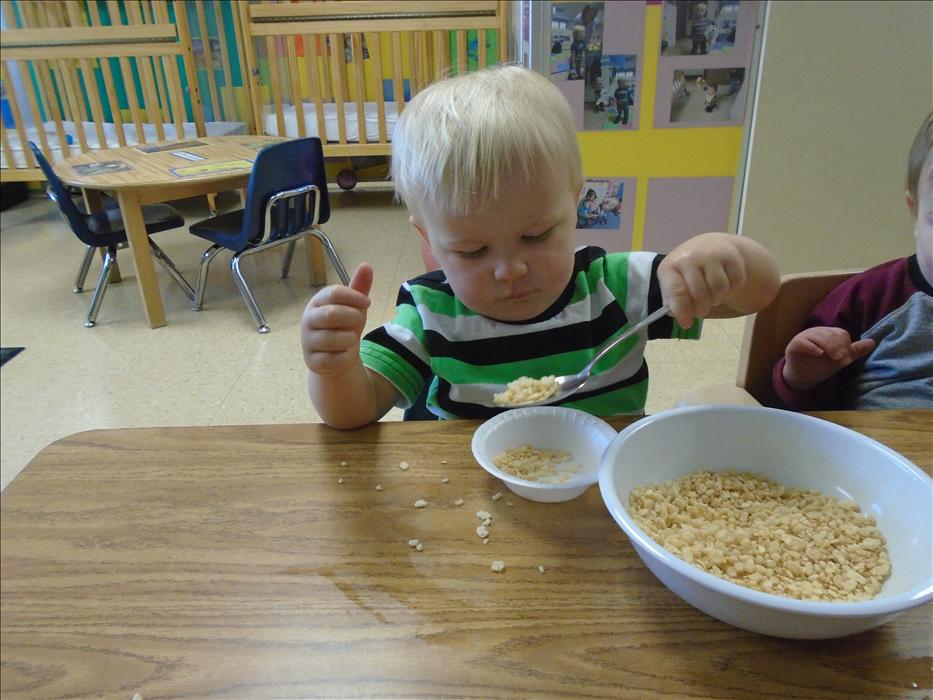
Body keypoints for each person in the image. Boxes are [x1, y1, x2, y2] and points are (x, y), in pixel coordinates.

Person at [301, 65, 780, 428]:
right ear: (429, 242)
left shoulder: (617, 285)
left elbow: (758, 295)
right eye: (472, 252)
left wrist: (725, 255)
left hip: (603, 494)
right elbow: (354, 414)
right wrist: (334, 367)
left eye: (535, 236)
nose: (509, 270)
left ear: (575, 206)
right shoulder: (430, 314)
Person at [772, 112, 933, 410]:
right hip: (876, 446)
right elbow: (809, 404)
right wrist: (802, 376)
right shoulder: (871, 296)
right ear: (915, 211)